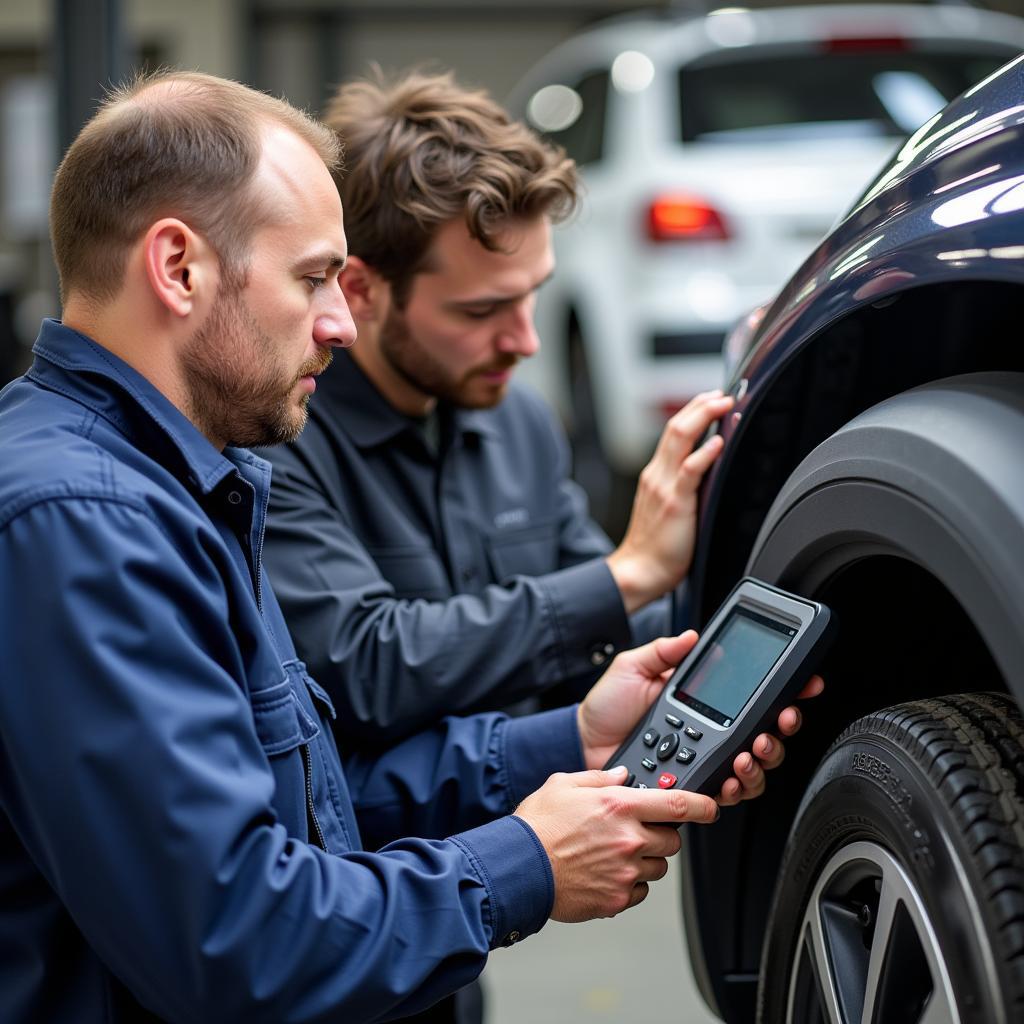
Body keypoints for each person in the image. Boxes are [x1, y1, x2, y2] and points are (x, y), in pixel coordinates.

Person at [0, 70, 820, 1023]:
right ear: (178, 268)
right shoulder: (84, 522)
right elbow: (234, 937)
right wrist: (526, 863)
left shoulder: (190, 483)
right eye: (311, 279)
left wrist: (574, 739)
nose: (340, 323)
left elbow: (316, 806)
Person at [262, 70, 736, 750]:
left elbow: (612, 630)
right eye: (481, 310)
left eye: (531, 293)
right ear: (361, 290)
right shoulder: (280, 437)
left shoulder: (519, 423)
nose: (526, 340)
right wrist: (628, 572)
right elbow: (364, 668)